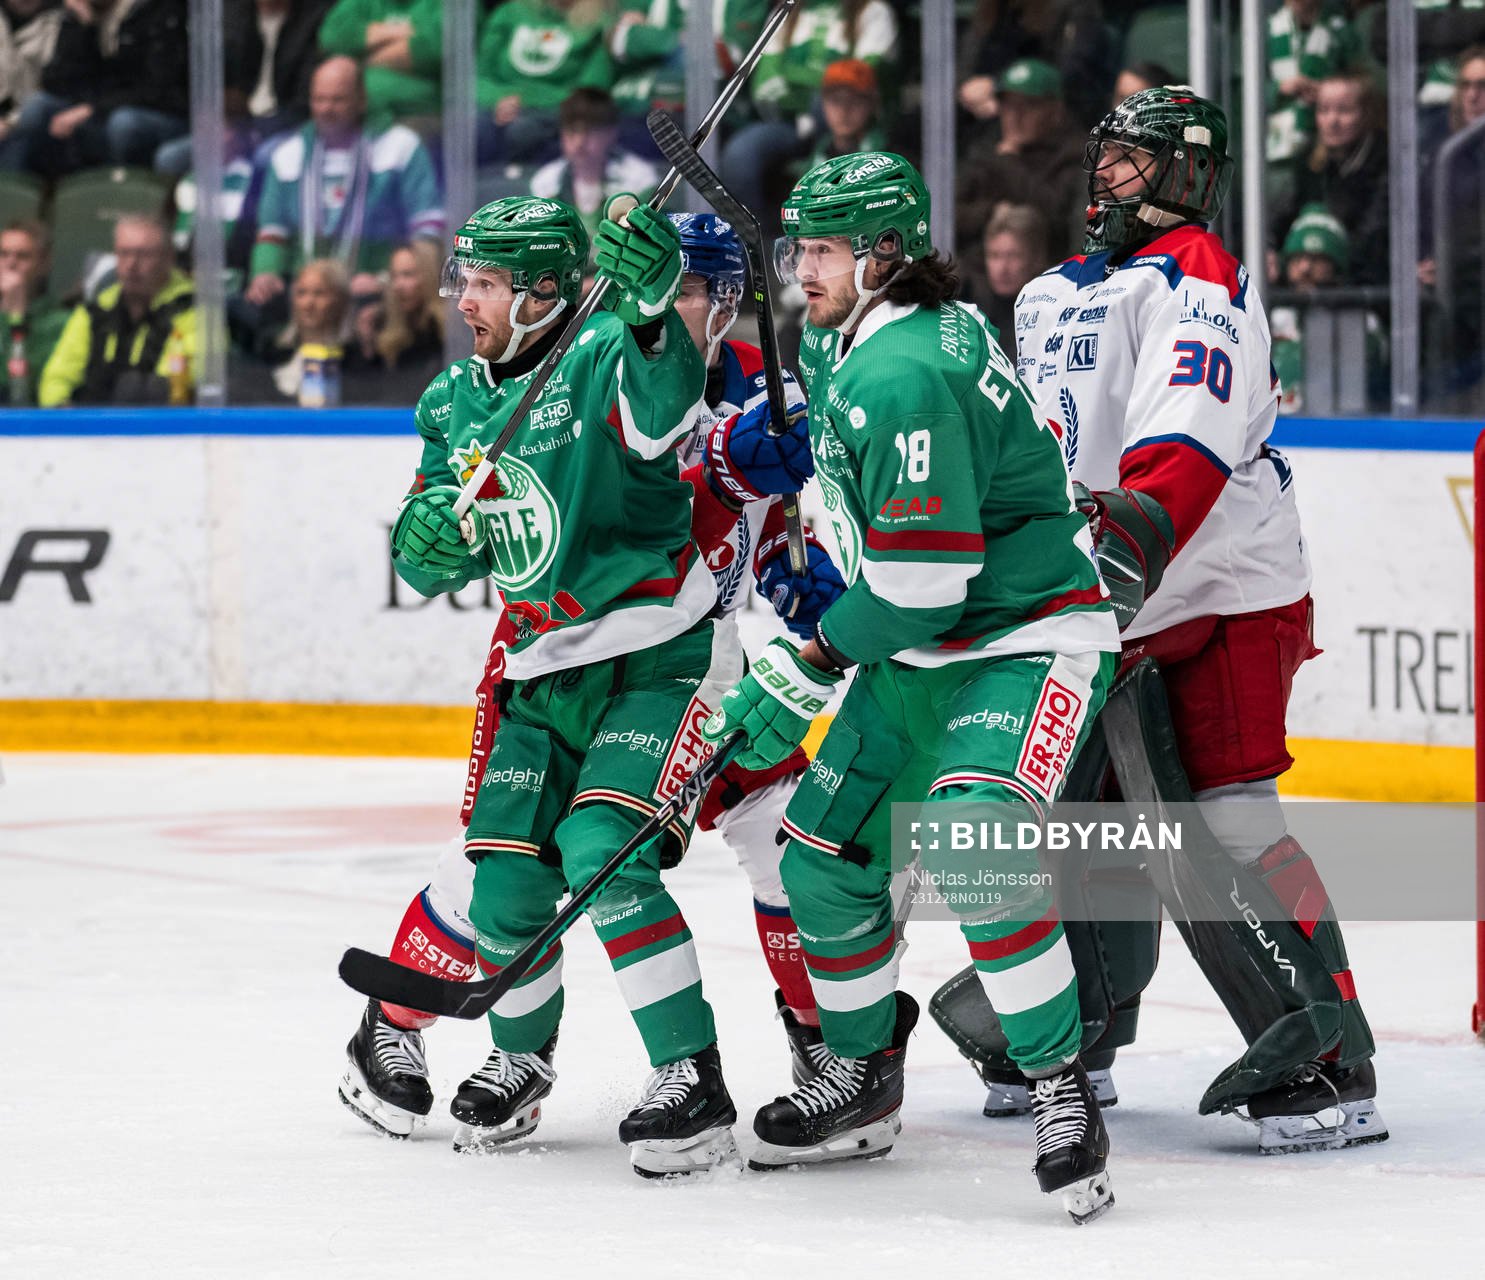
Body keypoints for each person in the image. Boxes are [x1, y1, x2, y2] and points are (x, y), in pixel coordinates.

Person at [338, 211, 840, 1147]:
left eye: (701, 291)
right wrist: (429, 542)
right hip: (547, 649)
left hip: (681, 652)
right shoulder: (567, 364)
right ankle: (402, 1026)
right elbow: (452, 521)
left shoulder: (758, 391)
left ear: (729, 301)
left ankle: (821, 1047)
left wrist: (804, 580)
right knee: (498, 870)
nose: (687, 304)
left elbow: (777, 529)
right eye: (671, 285)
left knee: (742, 839)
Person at [698, 152, 1122, 1223]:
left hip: (1019, 640)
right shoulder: (861, 339)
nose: (802, 271)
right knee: (821, 857)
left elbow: (927, 585)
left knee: (977, 840)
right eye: (797, 249)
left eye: (827, 251)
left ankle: (1062, 1089)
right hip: (917, 652)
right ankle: (859, 1073)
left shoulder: (904, 370)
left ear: (887, 252)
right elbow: (884, 524)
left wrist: (809, 656)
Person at [1008, 85, 1385, 1152]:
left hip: (1221, 584)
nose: (1110, 173)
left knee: (1231, 818)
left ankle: (1330, 1049)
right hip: (1105, 595)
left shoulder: (1201, 277)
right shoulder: (1049, 292)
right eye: (1109, 154)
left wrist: (1130, 535)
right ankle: (1084, 1028)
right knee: (1086, 824)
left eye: (1136, 158)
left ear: (1185, 172)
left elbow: (1193, 431)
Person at [239, 56, 443, 344]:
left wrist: (387, 280)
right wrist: (266, 273)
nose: (326, 109)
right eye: (319, 100)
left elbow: (427, 230)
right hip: (307, 293)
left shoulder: (400, 147)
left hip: (377, 289)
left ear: (361, 100)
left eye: (337, 100)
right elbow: (272, 231)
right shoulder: (288, 154)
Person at [0, 0, 189, 176]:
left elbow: (156, 88)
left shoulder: (152, 10)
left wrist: (92, 108)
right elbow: (57, 81)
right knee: (39, 107)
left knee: (124, 124)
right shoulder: (84, 14)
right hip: (102, 112)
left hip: (159, 115)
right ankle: (14, 199)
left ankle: (126, 193)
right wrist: (84, 28)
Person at [38, 214, 195, 406]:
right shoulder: (94, 310)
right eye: (124, 253)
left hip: (159, 429)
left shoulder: (193, 310)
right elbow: (56, 378)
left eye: (144, 254)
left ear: (168, 258)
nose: (132, 265)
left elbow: (174, 387)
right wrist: (63, 413)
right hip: (89, 428)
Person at [955, 58, 1087, 265]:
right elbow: (949, 212)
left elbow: (1055, 217)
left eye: (1028, 105)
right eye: (1008, 105)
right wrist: (991, 212)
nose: (1015, 115)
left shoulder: (1076, 153)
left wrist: (1009, 161)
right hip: (979, 273)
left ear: (1055, 110)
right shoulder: (987, 145)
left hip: (1047, 274)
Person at [474, 0, 614, 166]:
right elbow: (478, 77)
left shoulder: (599, 24)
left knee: (522, 131)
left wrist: (526, 101)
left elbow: (591, 91)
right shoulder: (509, 12)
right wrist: (498, 99)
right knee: (474, 128)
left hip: (555, 111)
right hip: (497, 106)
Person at [528, 89, 660, 249]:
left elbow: (643, 247)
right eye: (571, 132)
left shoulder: (640, 180)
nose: (579, 142)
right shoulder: (545, 182)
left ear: (611, 132)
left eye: (589, 132)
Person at [317, 0, 442, 124]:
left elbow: (434, 48)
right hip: (354, 119)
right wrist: (397, 31)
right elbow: (332, 37)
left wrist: (362, 58)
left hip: (419, 117)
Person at [963, 202, 1050, 360]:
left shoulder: (1050, 314)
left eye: (1013, 255)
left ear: (1035, 258)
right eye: (994, 255)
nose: (1002, 268)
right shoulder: (973, 315)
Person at [0, 219, 68, 405]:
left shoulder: (61, 323)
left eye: (22, 256)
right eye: (3, 254)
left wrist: (15, 320)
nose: (10, 263)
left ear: (44, 263)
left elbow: (20, 393)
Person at [0, 0, 64, 146]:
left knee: (36, 109)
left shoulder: (62, 22)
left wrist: (10, 122)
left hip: (37, 115)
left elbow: (56, 87)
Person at [804, 57, 885, 170]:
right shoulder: (817, 154)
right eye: (836, 100)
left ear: (872, 104)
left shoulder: (888, 160)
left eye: (855, 100)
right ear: (823, 103)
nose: (844, 110)